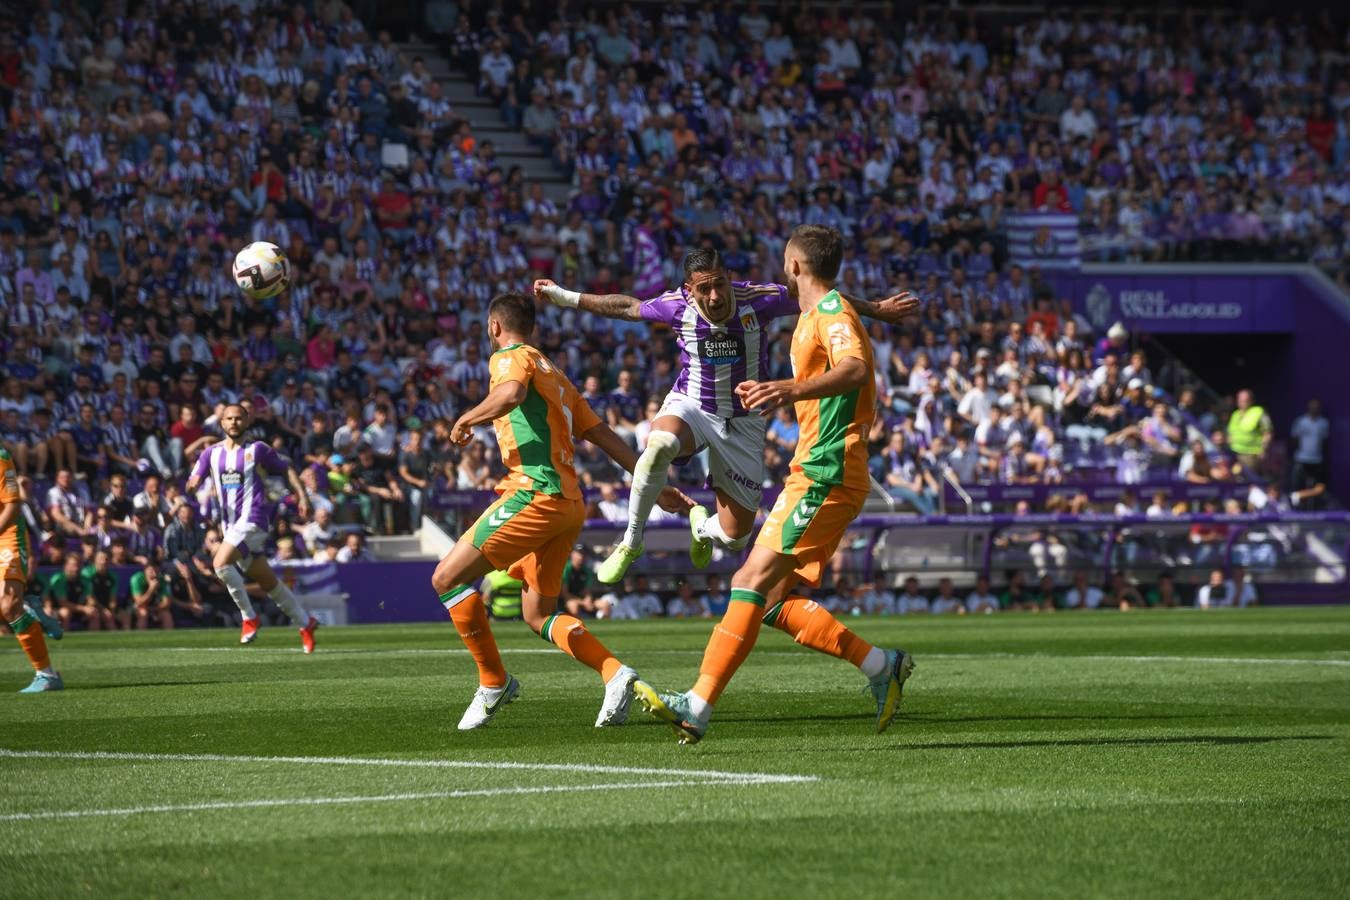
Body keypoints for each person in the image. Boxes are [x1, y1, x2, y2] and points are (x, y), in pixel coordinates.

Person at [633, 226, 915, 744]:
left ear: (794, 266)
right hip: (814, 470)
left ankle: (697, 705)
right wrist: (876, 309)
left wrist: (788, 388)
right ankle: (881, 665)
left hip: (827, 473)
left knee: (749, 579)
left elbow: (855, 368)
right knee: (768, 601)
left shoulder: (830, 313)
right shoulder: (814, 312)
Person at [534, 250, 916, 585]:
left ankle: (700, 527)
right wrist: (564, 296)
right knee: (659, 445)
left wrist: (876, 309)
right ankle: (631, 541)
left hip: (743, 422)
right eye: (705, 289)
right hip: (692, 406)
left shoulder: (759, 299)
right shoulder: (677, 306)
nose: (715, 296)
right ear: (690, 289)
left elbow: (820, 297)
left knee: (735, 538)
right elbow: (626, 307)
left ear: (729, 278)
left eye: (720, 284)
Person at [428, 292, 690, 730]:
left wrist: (466, 418)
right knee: (537, 614)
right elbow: (603, 435)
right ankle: (615, 674)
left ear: (494, 327)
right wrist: (655, 485)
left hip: (534, 494)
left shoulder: (510, 357)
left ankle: (493, 682)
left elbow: (511, 393)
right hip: (569, 504)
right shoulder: (558, 376)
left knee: (446, 578)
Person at [185, 403, 320, 652]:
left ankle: (249, 617)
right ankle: (305, 622)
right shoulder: (211, 453)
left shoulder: (257, 449)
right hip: (230, 526)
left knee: (220, 563)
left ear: (247, 421)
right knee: (267, 581)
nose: (234, 422)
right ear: (221, 423)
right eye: (229, 419)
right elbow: (193, 479)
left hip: (254, 519)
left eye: (239, 418)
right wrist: (192, 486)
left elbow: (287, 468)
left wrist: (303, 497)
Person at [1, 445, 64, 691]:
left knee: (8, 604)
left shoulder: (1, 457)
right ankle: (30, 611)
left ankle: (47, 675)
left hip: (7, 535)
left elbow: (12, 506)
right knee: (8, 608)